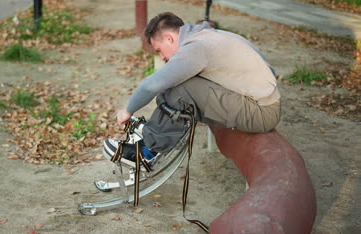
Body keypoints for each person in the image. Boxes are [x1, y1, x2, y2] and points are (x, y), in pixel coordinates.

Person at [103, 12, 281, 168]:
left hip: (261, 112)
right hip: (262, 103)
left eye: (159, 50)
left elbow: (153, 84)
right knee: (179, 80)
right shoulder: (208, 35)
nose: (162, 57)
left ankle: (147, 153)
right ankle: (153, 132)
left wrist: (128, 110)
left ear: (169, 38)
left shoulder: (196, 48)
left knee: (180, 87)